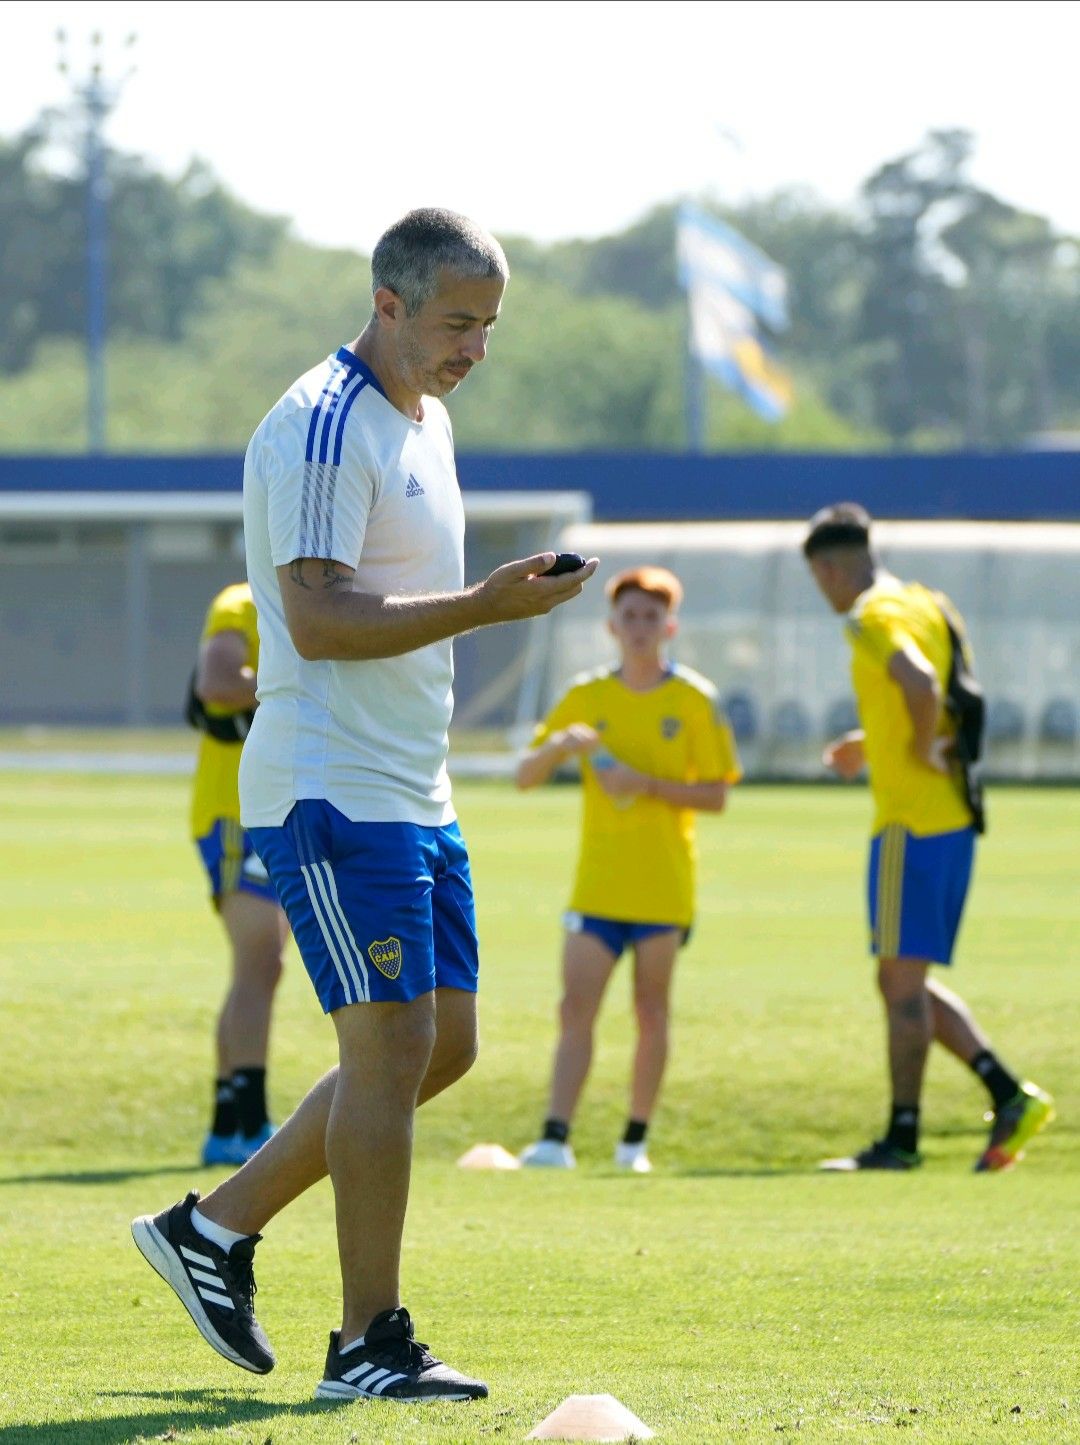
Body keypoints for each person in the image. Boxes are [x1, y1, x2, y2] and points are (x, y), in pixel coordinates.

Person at [132, 208, 597, 1404]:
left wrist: (484, 603)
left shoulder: (427, 418)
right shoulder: (322, 424)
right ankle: (368, 1341)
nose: (475, 348)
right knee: (387, 1047)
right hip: (331, 785)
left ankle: (213, 1227)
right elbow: (320, 619)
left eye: (489, 325)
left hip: (412, 787)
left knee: (444, 1043)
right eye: (457, 322)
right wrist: (486, 605)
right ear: (387, 303)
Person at [804, 502, 1054, 1172]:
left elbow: (917, 681)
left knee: (899, 983)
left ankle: (903, 1140)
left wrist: (914, 748)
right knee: (903, 979)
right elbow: (946, 694)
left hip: (909, 823)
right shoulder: (926, 602)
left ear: (828, 570)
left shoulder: (869, 616)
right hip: (952, 819)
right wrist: (874, 742)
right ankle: (1007, 1095)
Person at [516, 565, 741, 1173]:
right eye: (629, 616)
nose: (640, 627)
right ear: (611, 626)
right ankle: (554, 1139)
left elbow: (717, 795)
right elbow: (524, 776)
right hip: (598, 884)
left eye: (651, 617)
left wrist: (645, 784)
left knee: (651, 1010)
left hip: (663, 885)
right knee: (575, 1008)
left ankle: (634, 1144)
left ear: (670, 626)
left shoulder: (693, 699)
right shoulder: (586, 697)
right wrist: (559, 746)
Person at [188, 581, 289, 1166]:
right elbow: (216, 681)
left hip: (278, 811)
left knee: (258, 969)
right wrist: (295, 683)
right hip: (234, 812)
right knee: (262, 962)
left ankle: (227, 1123)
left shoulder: (319, 599)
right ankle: (252, 1122)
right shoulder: (240, 603)